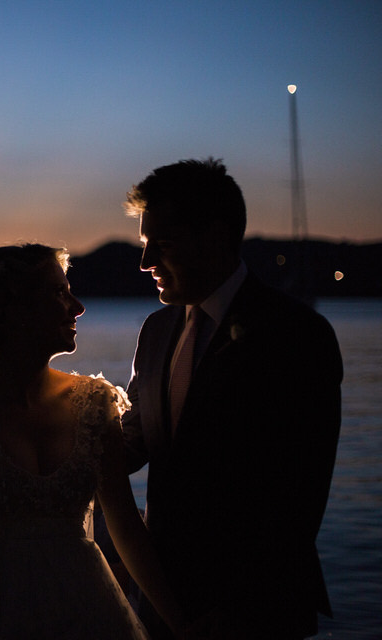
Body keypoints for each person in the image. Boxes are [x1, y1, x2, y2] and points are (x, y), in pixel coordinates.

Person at [0, 244, 186, 639]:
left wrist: (185, 627)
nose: (77, 306)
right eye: (58, 293)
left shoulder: (95, 405)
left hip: (90, 608)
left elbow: (127, 530)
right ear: (15, 311)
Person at [120, 158, 342, 639]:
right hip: (162, 602)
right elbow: (135, 443)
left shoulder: (297, 334)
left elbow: (301, 491)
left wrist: (239, 608)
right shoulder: (157, 332)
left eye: (163, 244)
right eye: (144, 245)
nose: (146, 262)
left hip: (255, 612)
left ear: (216, 235)